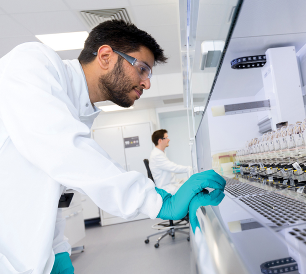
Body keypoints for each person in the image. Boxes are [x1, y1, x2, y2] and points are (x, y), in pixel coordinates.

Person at [0, 19, 225, 274]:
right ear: (106, 56)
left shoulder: (76, 112)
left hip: (32, 261)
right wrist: (157, 202)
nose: (147, 83)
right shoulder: (33, 61)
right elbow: (67, 153)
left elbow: (45, 190)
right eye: (142, 69)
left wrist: (58, 249)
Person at [149, 129, 192, 194]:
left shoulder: (160, 153)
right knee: (191, 189)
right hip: (166, 188)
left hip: (170, 183)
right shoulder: (156, 155)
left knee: (188, 182)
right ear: (160, 140)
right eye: (166, 138)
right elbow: (173, 168)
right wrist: (188, 168)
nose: (169, 140)